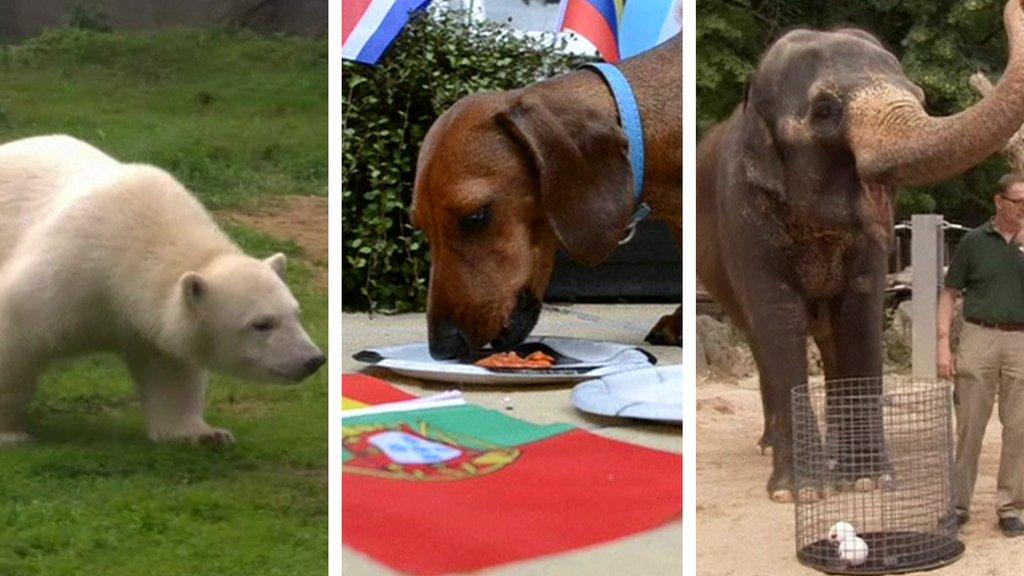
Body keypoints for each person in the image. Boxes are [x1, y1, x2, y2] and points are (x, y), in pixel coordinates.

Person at [938, 173, 1024, 537]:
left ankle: (1010, 508)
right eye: (1019, 201)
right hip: (978, 335)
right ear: (999, 202)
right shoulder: (973, 242)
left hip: (1021, 339)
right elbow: (949, 294)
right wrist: (942, 345)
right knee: (970, 425)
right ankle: (958, 506)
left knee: (1020, 428)